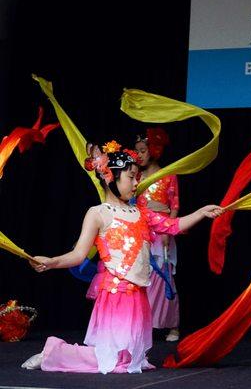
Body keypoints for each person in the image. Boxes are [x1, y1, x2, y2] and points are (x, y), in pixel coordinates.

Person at [21, 140, 222, 374]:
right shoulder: (98, 214)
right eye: (131, 177)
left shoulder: (142, 213)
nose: (137, 182)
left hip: (137, 295)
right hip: (115, 293)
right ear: (111, 179)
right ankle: (54, 353)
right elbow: (79, 255)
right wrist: (51, 262)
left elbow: (173, 225)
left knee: (127, 361)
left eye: (137, 177)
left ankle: (64, 354)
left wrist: (200, 213)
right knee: (111, 360)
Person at [135, 128, 181, 341]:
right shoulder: (134, 176)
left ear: (153, 150)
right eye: (138, 152)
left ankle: (172, 324)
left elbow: (174, 206)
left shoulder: (168, 174)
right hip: (140, 229)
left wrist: (168, 230)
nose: (140, 155)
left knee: (163, 276)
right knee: (141, 274)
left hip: (161, 230)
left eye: (143, 151)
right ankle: (145, 322)